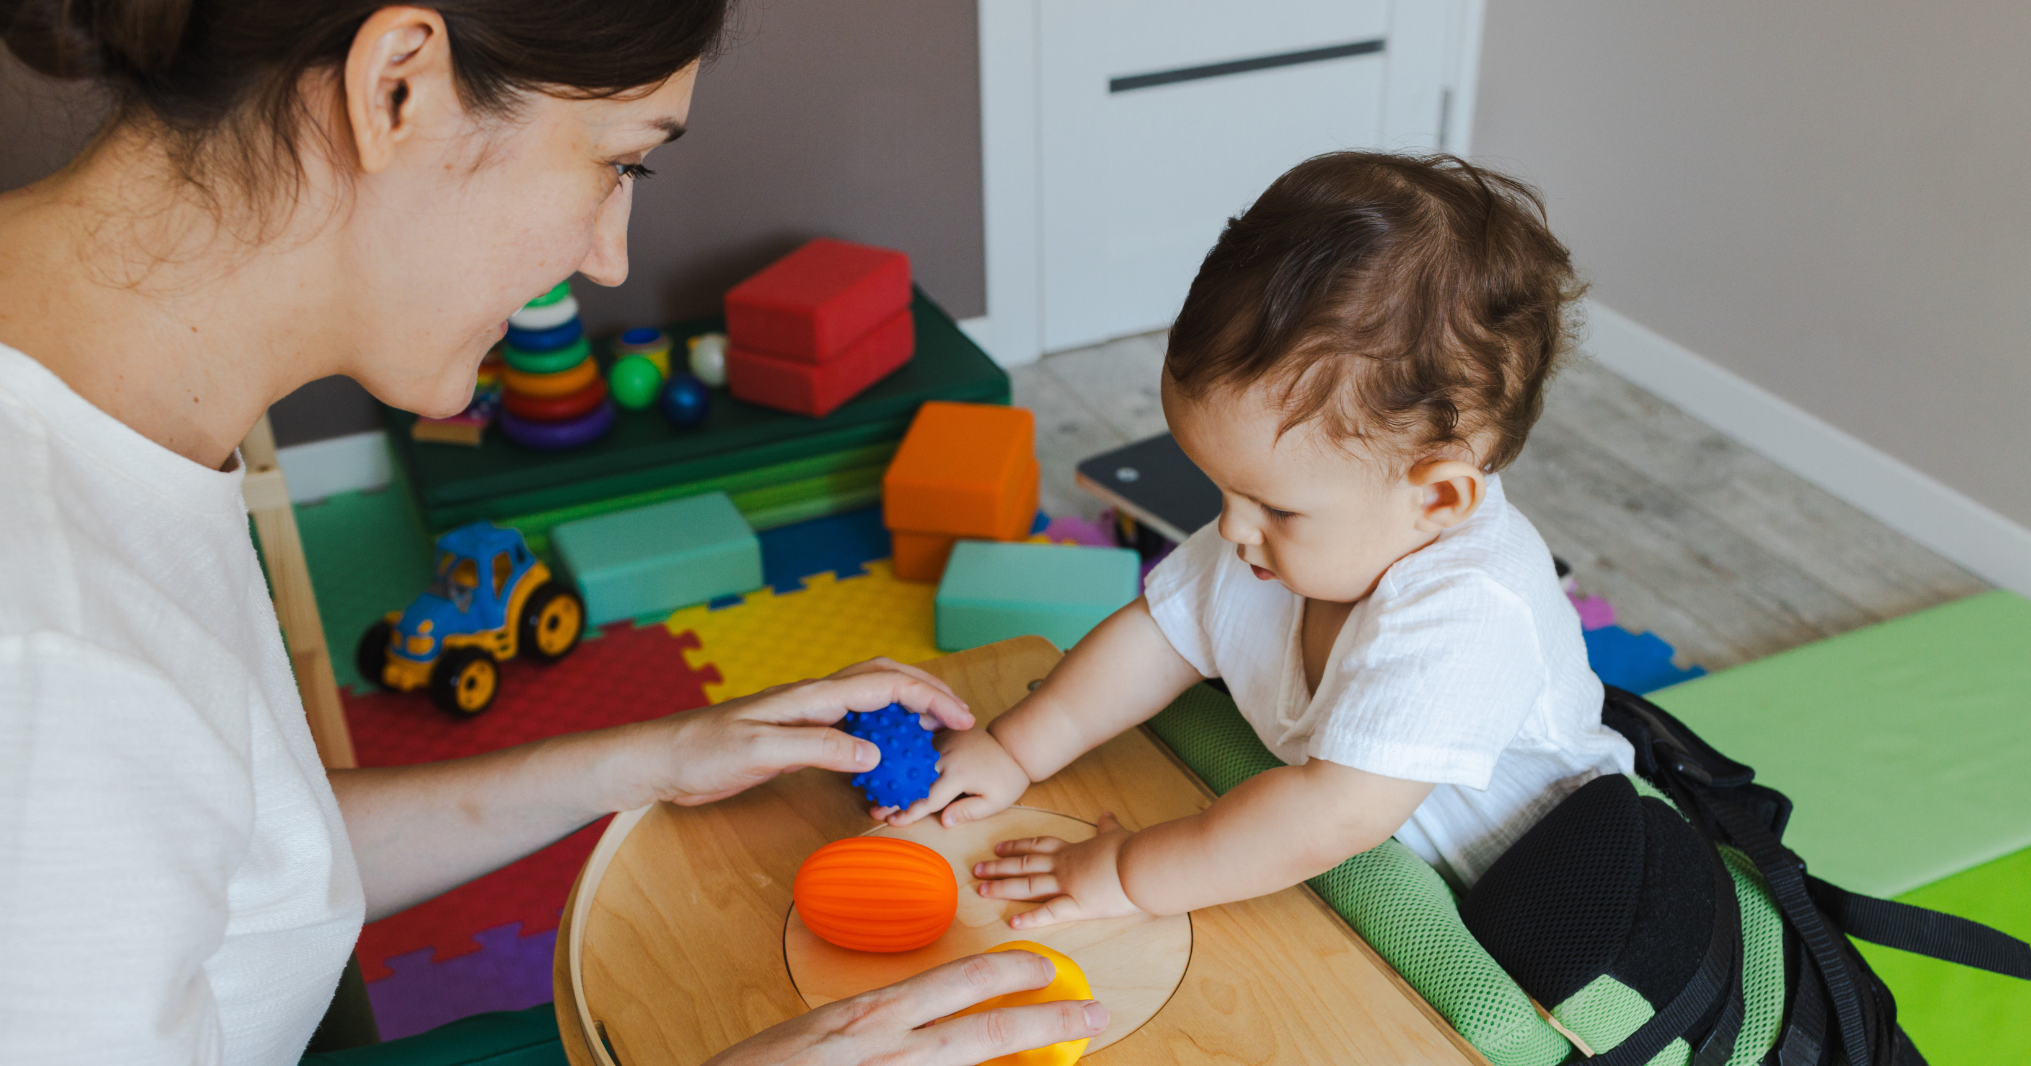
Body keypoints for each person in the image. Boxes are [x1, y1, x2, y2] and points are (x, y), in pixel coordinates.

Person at [0, 1, 1110, 1063]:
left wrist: (655, 755)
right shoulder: (50, 650)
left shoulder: (108, 418)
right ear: (397, 88)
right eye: (621, 162)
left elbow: (245, 855)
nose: (608, 257)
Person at [890, 152, 1637, 928]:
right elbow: (1157, 636)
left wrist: (1126, 874)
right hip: (1362, 860)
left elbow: (1329, 817)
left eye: (1275, 509)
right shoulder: (1280, 539)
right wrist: (1015, 750)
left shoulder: (1470, 609)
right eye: (1222, 489)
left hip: (1544, 892)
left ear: (1437, 497)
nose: (1230, 528)